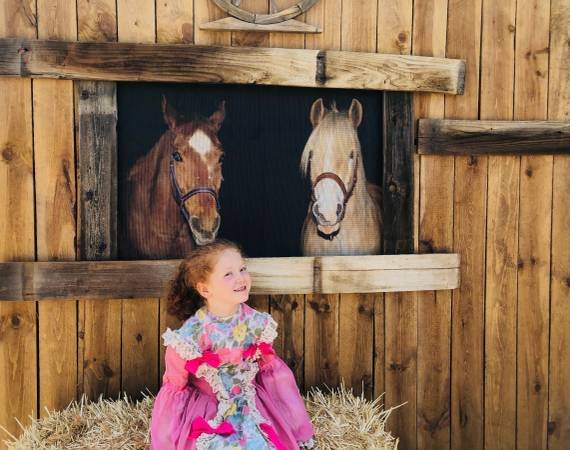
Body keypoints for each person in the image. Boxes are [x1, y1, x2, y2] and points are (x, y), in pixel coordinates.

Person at [150, 239, 315, 450]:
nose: (240, 277)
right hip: (210, 412)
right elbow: (174, 392)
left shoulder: (257, 324)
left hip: (250, 406)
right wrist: (164, 443)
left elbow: (275, 378)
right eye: (228, 274)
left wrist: (296, 425)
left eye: (242, 269)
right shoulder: (189, 338)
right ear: (205, 289)